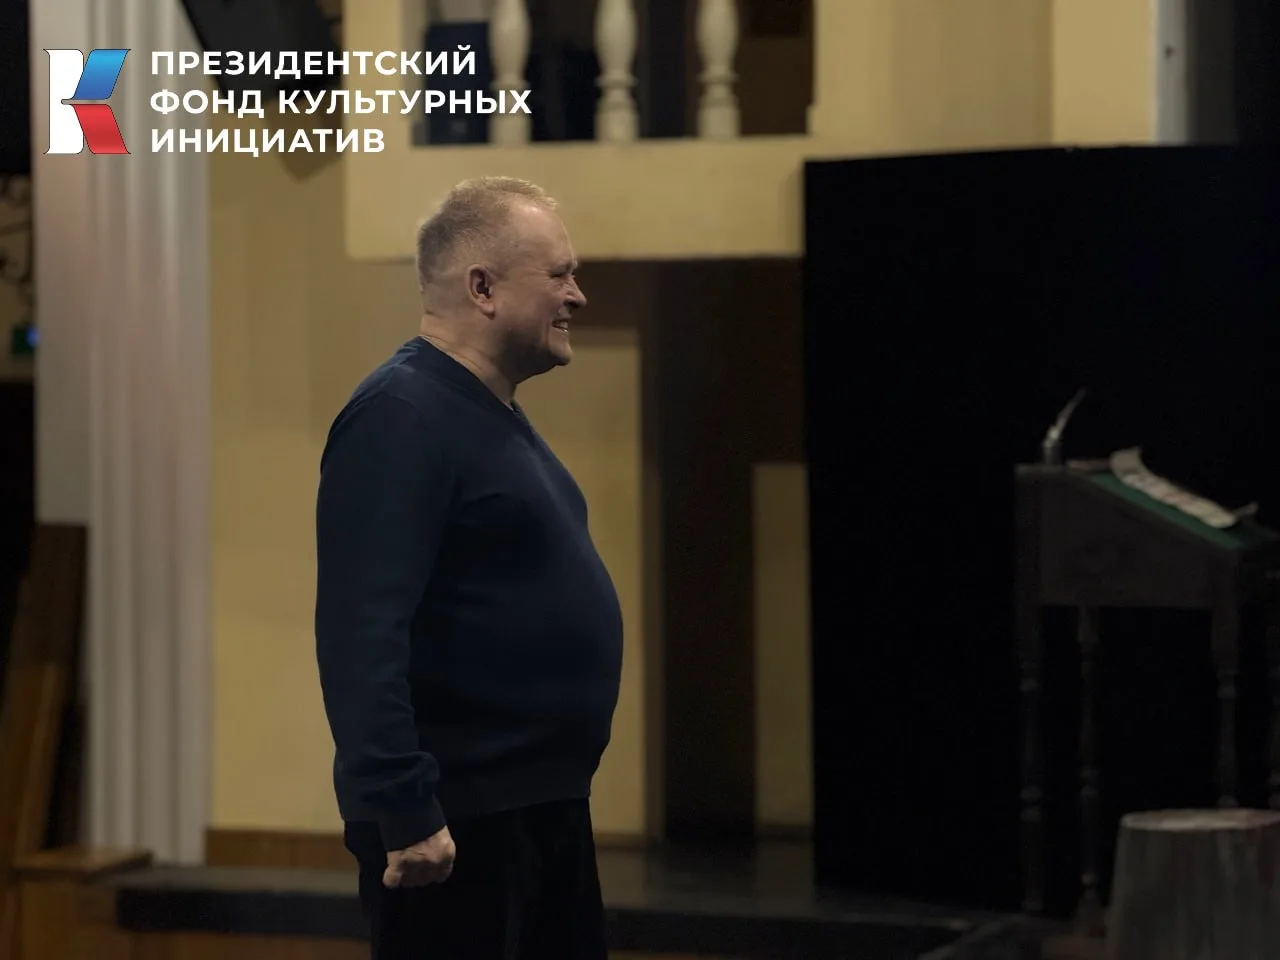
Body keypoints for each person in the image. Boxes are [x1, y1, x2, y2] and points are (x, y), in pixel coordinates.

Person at [314, 177, 623, 959]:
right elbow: (360, 631)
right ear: (482, 287)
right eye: (559, 274)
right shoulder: (401, 414)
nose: (577, 295)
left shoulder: (488, 413)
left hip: (536, 808)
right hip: (457, 826)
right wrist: (404, 807)